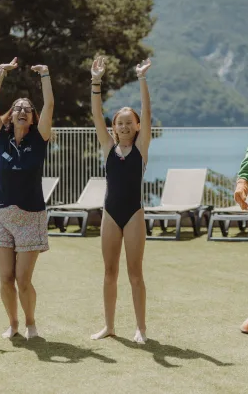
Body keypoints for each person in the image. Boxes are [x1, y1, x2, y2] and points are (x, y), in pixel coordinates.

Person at [0, 58, 53, 339]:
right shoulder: (1, 137)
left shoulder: (40, 139)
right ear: (11, 115)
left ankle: (30, 322)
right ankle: (12, 324)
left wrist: (45, 76)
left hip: (31, 217)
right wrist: (0, 71)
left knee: (23, 280)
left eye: (27, 108)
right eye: (17, 108)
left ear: (33, 117)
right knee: (5, 279)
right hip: (2, 217)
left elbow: (49, 105)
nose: (22, 110)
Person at [89, 55, 152, 344]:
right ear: (114, 128)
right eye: (120, 123)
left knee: (135, 273)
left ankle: (141, 328)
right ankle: (109, 326)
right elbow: (95, 114)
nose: (124, 126)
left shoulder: (140, 148)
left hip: (134, 213)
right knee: (109, 272)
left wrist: (141, 78)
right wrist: (96, 81)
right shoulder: (108, 147)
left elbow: (147, 113)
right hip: (110, 214)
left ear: (137, 127)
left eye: (129, 123)